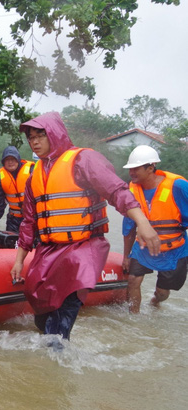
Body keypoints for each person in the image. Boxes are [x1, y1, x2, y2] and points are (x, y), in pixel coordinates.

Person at [9, 112, 160, 345]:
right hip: (50, 249)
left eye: (41, 135)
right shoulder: (34, 176)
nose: (35, 141)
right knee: (39, 307)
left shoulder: (83, 160)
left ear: (55, 135)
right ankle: (53, 347)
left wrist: (142, 222)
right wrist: (19, 260)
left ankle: (57, 357)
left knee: (63, 313)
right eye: (31, 138)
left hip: (83, 246)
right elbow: (29, 222)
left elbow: (116, 191)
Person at [121, 145, 188, 313]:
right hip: (143, 246)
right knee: (133, 281)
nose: (131, 173)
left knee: (163, 292)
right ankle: (133, 319)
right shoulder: (132, 189)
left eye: (136, 169)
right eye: (130, 169)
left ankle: (155, 302)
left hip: (174, 248)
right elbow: (128, 226)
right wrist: (126, 256)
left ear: (150, 168)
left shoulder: (178, 186)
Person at [0, 145, 35, 233]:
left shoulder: (32, 171)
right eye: (7, 160)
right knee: (13, 244)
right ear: (3, 162)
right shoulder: (0, 179)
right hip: (13, 220)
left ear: (18, 159)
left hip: (32, 218)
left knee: (33, 244)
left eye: (13, 159)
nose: (10, 162)